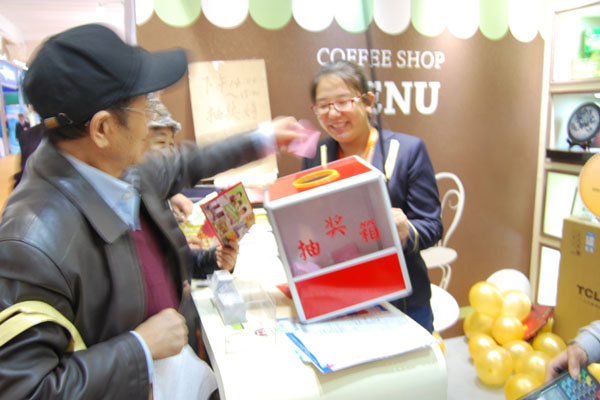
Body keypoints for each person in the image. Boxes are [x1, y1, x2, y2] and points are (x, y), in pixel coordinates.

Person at [0, 23, 303, 399]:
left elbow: (189, 162)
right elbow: (26, 389)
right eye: (142, 103)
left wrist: (265, 137)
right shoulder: (30, 244)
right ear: (103, 129)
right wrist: (139, 349)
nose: (152, 118)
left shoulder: (121, 169)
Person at [301, 60, 443, 332]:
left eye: (343, 102)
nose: (333, 114)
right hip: (340, 297)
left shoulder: (408, 151)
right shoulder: (316, 156)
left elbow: (432, 225)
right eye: (323, 105)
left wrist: (406, 231)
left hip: (403, 301)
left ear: (368, 102)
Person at [144, 93, 239, 278]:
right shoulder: (128, 204)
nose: (169, 153)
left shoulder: (159, 194)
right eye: (161, 143)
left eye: (171, 144)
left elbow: (182, 264)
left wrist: (216, 260)